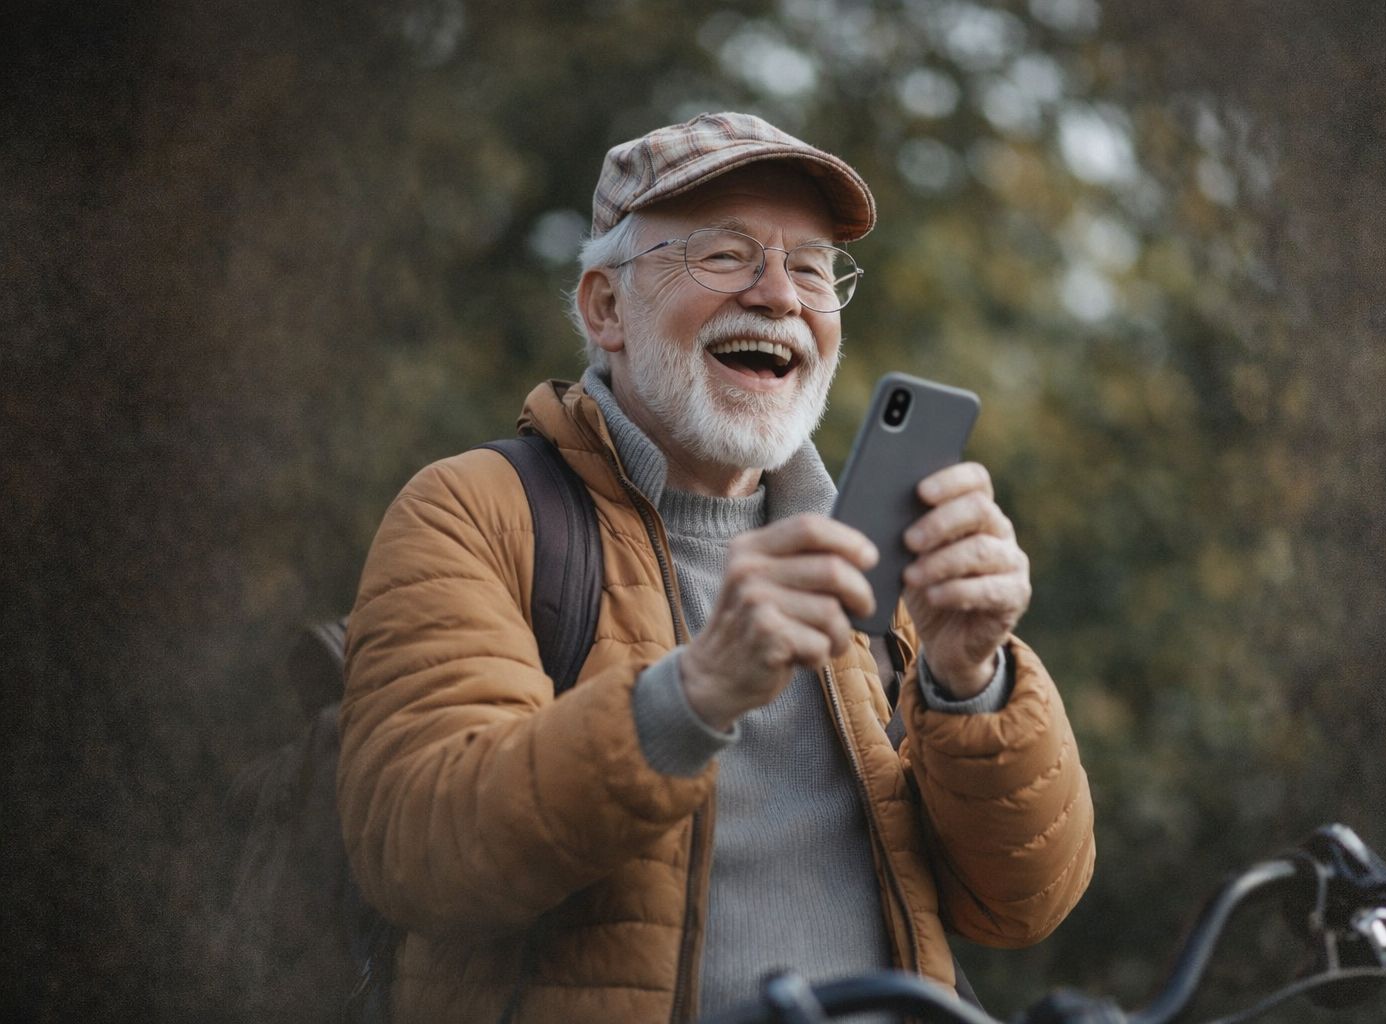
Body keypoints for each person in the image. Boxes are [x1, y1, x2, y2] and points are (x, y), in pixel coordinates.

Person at [338, 112, 1095, 1024]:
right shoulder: (473, 510)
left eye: (811, 268)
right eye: (725, 256)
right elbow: (420, 852)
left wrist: (972, 680)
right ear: (605, 309)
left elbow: (1022, 906)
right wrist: (696, 692)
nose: (778, 296)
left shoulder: (871, 559)